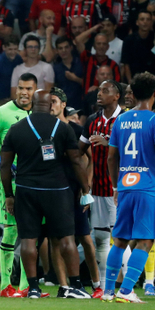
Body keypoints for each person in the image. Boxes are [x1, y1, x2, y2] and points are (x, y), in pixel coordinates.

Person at [0, 89, 91, 299]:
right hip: (57, 191)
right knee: (67, 238)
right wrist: (85, 189)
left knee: (29, 240)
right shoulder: (63, 128)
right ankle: (75, 286)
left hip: (26, 190)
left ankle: (32, 288)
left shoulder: (16, 129)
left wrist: (9, 194)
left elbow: (5, 166)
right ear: (50, 104)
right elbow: (76, 161)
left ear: (32, 104)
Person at [0, 72, 36, 298]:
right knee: (11, 233)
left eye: (29, 89)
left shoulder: (39, 113)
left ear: (35, 91)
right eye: (21, 88)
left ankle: (25, 286)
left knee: (30, 234)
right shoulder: (1, 113)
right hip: (8, 184)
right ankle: (5, 286)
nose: (24, 92)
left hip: (33, 183)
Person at [49, 88, 102, 298]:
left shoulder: (76, 129)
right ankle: (64, 287)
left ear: (63, 104)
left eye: (54, 101)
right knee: (55, 239)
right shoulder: (44, 129)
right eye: (48, 102)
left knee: (86, 239)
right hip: (53, 191)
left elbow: (91, 159)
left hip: (74, 191)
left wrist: (86, 187)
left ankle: (97, 284)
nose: (50, 106)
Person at [79, 79, 123, 290]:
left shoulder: (126, 119)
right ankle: (106, 287)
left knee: (119, 239)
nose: (100, 94)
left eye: (105, 91)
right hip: (98, 190)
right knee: (101, 239)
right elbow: (78, 151)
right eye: (99, 90)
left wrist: (110, 143)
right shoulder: (92, 120)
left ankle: (132, 284)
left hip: (120, 189)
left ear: (116, 96)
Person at [75, 28, 121, 93]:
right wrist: (95, 27)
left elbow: (117, 88)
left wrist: (98, 89)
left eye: (104, 44)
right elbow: (78, 40)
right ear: (94, 46)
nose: (101, 47)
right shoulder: (87, 58)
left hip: (106, 101)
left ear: (108, 47)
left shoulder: (113, 65)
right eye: (98, 44)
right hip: (87, 100)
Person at [122, 10, 155, 82]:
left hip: (152, 79)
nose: (145, 22)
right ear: (137, 22)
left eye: (148, 19)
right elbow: (126, 63)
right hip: (134, 78)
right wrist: (130, 81)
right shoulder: (129, 40)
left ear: (151, 22)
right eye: (142, 19)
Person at [52, 36, 84, 110]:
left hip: (81, 105)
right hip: (64, 107)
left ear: (71, 47)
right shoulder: (55, 68)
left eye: (66, 47)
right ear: (57, 51)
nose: (64, 50)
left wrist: (76, 79)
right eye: (60, 48)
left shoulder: (81, 63)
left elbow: (89, 85)